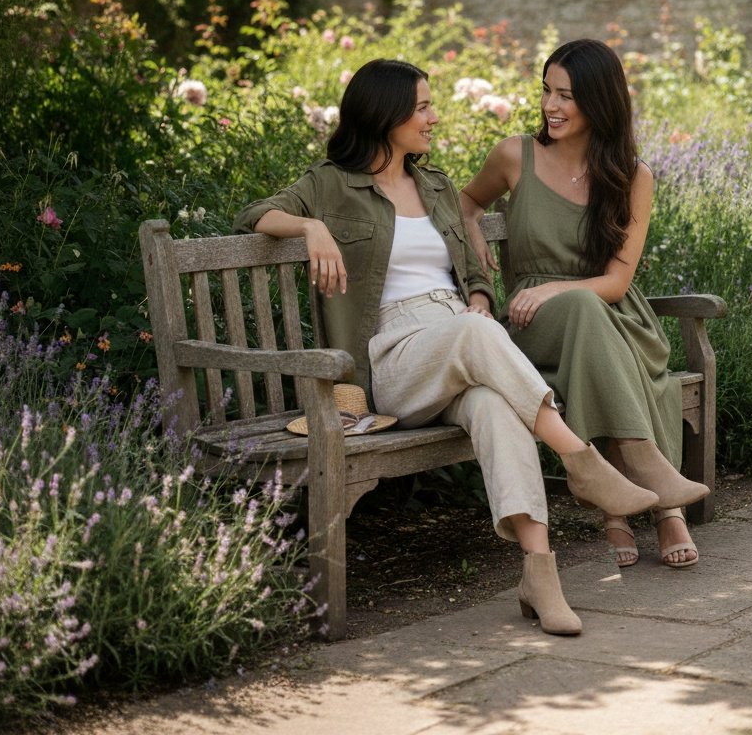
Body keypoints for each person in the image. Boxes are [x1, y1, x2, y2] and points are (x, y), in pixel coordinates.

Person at [234, 58, 660, 637]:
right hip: (391, 355)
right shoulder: (331, 183)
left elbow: (470, 274)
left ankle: (541, 576)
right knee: (477, 335)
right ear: (385, 116)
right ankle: (580, 460)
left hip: (458, 336)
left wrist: (480, 298)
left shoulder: (434, 187)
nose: (434, 117)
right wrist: (311, 227)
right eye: (423, 108)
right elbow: (256, 213)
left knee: (495, 405)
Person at [461, 39, 709, 570]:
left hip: (612, 315)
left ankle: (620, 510)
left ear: (599, 102)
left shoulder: (633, 177)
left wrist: (558, 288)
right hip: (532, 322)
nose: (550, 106)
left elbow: (617, 282)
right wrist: (473, 232)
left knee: (591, 316)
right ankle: (660, 494)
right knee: (584, 315)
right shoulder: (514, 156)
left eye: (566, 96)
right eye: (546, 91)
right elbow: (461, 204)